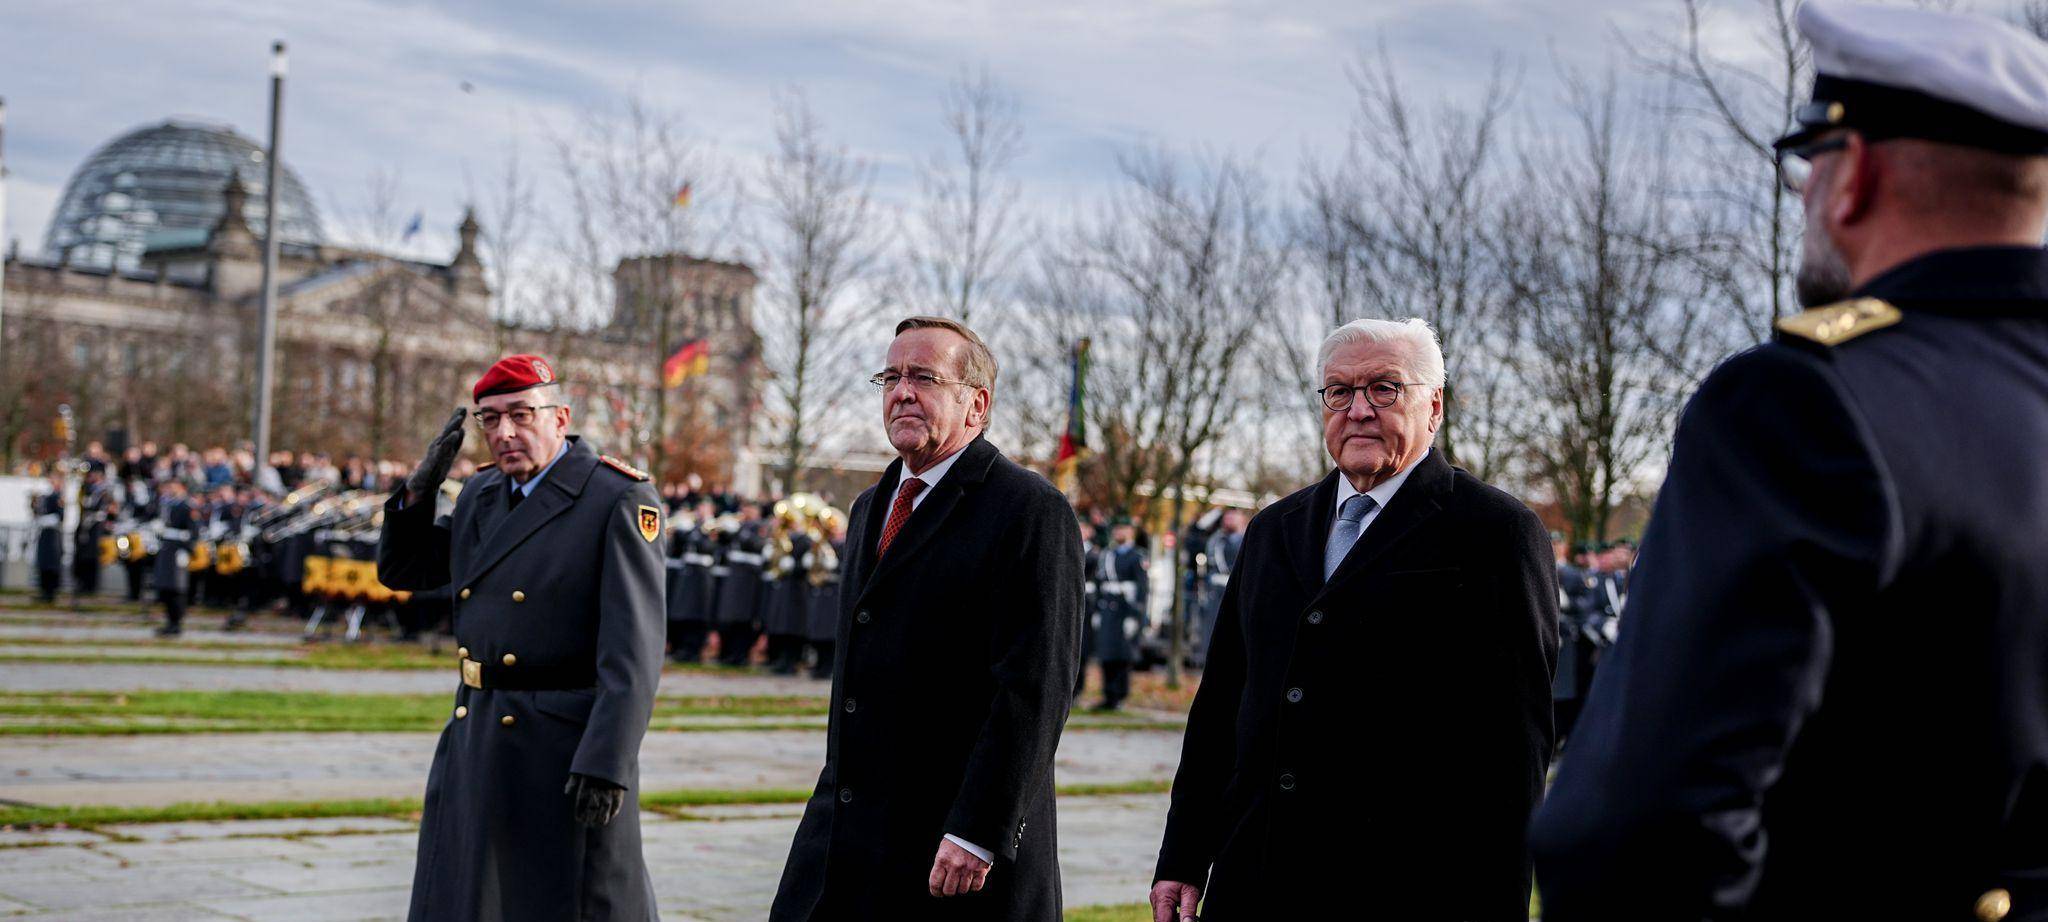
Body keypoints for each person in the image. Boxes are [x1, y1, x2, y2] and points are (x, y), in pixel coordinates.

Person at [1529, 5, 2048, 921]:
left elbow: (1634, 838)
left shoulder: (1801, 405)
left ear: (1856, 178)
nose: (1804, 195)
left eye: (1810, 165)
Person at [1150, 317, 1557, 922]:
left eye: (1384, 388)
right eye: (1339, 392)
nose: (1358, 410)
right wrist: (1183, 856)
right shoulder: (1272, 530)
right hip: (1257, 878)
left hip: (1406, 884)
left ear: (1434, 406)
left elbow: (1513, 747)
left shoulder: (1494, 533)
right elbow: (1221, 706)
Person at [771, 316, 1084, 921]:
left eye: (924, 377)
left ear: (977, 405)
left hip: (954, 848)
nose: (901, 392)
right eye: (889, 377)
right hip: (847, 834)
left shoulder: (1028, 510)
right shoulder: (871, 506)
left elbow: (1035, 686)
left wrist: (979, 830)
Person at [376, 354, 667, 922]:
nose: (504, 433)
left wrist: (608, 761)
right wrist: (418, 491)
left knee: (568, 900)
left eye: (520, 415)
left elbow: (633, 651)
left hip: (562, 746)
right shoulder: (482, 495)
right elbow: (405, 572)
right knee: (470, 899)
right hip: (479, 728)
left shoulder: (616, 498)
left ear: (560, 416)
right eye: (488, 420)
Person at [1090, 519, 1147, 712]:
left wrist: (1135, 614)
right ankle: (1108, 694)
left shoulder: (1137, 556)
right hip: (1108, 607)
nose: (1119, 533)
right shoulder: (1108, 555)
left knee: (1122, 654)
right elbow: (1100, 583)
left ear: (1130, 531)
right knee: (1106, 653)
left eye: (1122, 529)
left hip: (1125, 609)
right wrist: (1097, 610)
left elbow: (1141, 587)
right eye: (1117, 529)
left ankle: (1119, 695)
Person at [152, 479, 194, 637]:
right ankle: (169, 621)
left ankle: (176, 623)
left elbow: (192, 532)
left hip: (178, 550)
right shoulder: (169, 505)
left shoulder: (186, 507)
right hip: (168, 550)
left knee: (177, 588)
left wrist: (187, 550)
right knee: (166, 587)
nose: (171, 489)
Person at [71, 469, 112, 604]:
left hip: (96, 527)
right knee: (82, 555)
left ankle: (91, 585)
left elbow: (104, 509)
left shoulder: (104, 492)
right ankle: (81, 582)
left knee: (92, 556)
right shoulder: (87, 490)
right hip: (86, 525)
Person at [32, 474, 64, 604]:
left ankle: (50, 593)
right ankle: (44, 591)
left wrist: (43, 521)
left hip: (52, 535)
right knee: (43, 563)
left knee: (51, 564)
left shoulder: (58, 497)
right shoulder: (46, 497)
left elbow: (59, 517)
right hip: (45, 535)